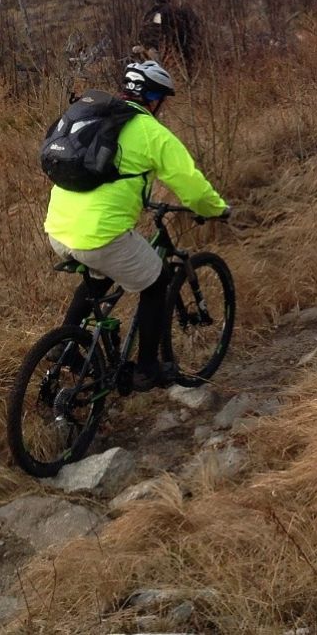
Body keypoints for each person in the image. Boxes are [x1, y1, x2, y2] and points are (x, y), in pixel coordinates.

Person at [43, 60, 229, 390]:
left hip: (58, 228)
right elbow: (192, 186)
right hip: (99, 235)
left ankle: (65, 346)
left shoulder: (93, 119)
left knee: (99, 275)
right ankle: (147, 368)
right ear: (154, 99)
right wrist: (217, 209)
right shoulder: (151, 132)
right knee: (157, 282)